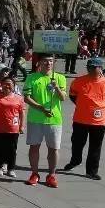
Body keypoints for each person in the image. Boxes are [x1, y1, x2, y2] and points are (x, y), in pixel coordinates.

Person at [63, 56, 105, 180]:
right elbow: (73, 95)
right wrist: (83, 105)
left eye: (93, 67)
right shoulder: (79, 81)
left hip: (98, 120)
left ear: (100, 68)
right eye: (89, 67)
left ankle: (91, 171)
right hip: (80, 119)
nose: (90, 70)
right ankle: (75, 160)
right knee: (77, 143)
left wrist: (97, 107)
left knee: (95, 146)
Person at [23, 54, 67, 187]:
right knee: (34, 147)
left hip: (54, 119)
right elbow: (27, 98)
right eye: (45, 61)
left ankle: (51, 175)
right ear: (39, 63)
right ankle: (34, 173)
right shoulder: (32, 77)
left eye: (51, 61)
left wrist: (56, 87)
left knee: (53, 148)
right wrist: (41, 108)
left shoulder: (60, 78)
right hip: (35, 118)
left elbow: (63, 98)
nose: (48, 64)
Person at [0, 76, 23, 177]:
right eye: (5, 84)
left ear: (14, 86)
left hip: (13, 128)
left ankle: (11, 168)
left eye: (9, 84)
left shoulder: (19, 98)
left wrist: (22, 126)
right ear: (1, 85)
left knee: (12, 150)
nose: (7, 86)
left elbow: (22, 113)